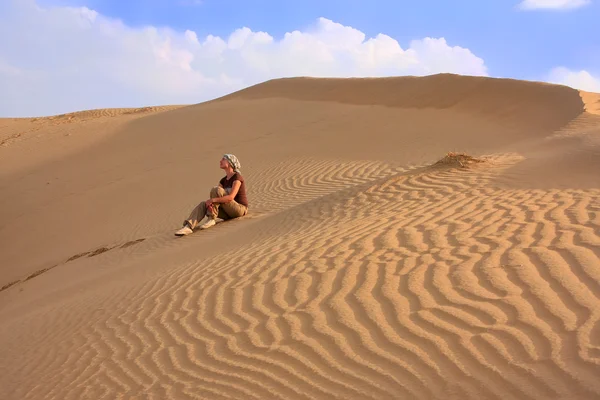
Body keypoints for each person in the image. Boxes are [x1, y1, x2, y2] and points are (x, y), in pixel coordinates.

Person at [175, 154, 248, 236]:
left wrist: (212, 201)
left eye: (223, 159)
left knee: (216, 189)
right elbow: (216, 196)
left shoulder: (237, 177)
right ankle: (188, 227)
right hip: (228, 213)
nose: (220, 161)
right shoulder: (223, 180)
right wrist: (211, 205)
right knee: (203, 204)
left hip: (240, 210)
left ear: (230, 163)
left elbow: (230, 197)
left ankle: (211, 218)